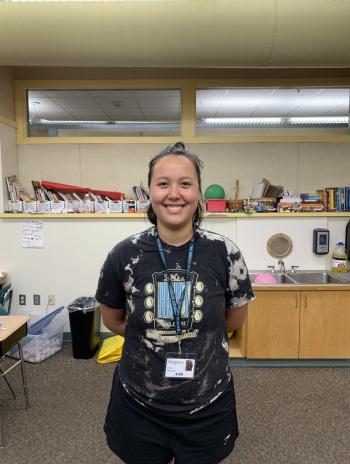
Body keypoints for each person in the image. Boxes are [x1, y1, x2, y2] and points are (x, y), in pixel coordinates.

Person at [95, 142, 255, 464]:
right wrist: (153, 336)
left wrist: (197, 334)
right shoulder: (123, 255)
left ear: (198, 193)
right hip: (138, 403)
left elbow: (234, 320)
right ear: (150, 192)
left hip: (207, 404)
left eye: (185, 183)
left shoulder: (224, 252)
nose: (174, 193)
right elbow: (112, 321)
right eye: (163, 183)